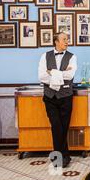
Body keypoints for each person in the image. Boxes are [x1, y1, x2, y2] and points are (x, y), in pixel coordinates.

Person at [38, 32, 77, 168]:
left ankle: (62, 157)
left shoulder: (72, 57)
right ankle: (62, 156)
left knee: (64, 127)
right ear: (56, 41)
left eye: (67, 39)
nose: (67, 42)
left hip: (66, 96)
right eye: (64, 39)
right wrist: (60, 73)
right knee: (56, 126)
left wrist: (52, 72)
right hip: (50, 97)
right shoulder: (45, 56)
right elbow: (42, 77)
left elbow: (70, 75)